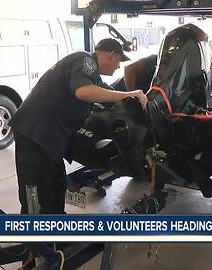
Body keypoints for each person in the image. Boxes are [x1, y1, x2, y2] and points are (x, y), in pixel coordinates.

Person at [9, 38, 148, 214]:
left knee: (56, 185)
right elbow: (83, 92)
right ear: (111, 55)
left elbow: (108, 95)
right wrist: (128, 93)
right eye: (118, 61)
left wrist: (130, 103)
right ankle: (34, 233)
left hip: (49, 139)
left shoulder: (93, 77)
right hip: (35, 134)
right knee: (36, 189)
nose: (118, 67)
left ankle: (56, 230)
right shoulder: (84, 60)